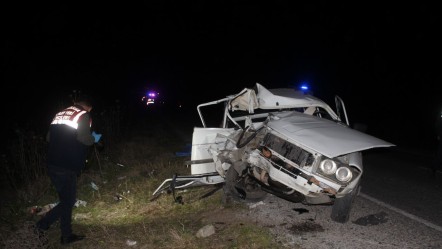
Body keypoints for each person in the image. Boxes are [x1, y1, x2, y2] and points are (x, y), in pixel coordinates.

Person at [36, 95, 101, 245]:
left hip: (53, 163)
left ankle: (66, 235)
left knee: (65, 200)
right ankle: (41, 226)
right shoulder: (83, 115)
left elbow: (48, 138)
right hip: (67, 164)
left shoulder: (60, 114)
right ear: (88, 107)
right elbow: (85, 138)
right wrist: (95, 139)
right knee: (68, 202)